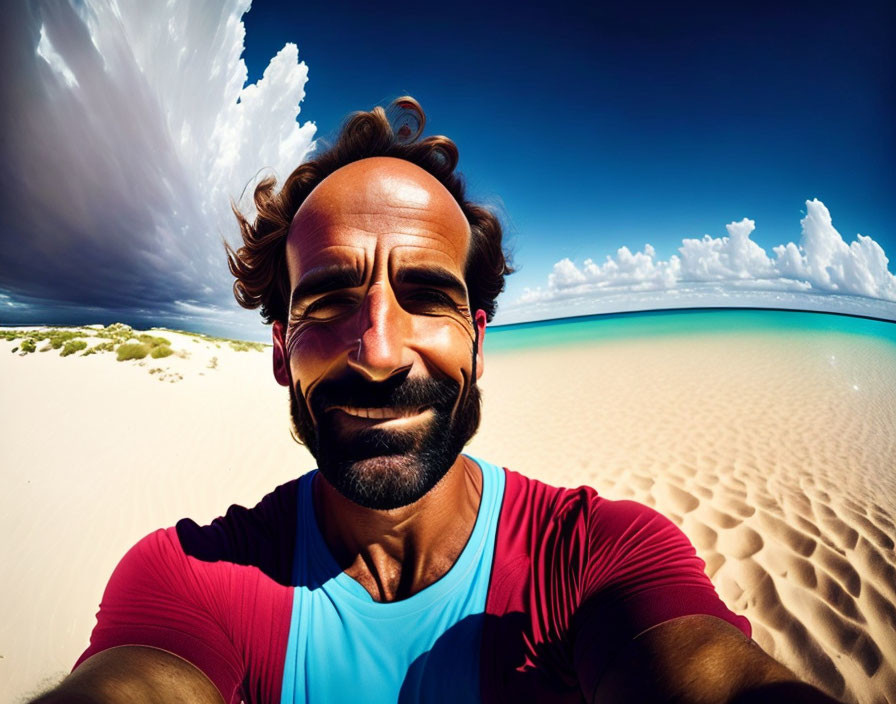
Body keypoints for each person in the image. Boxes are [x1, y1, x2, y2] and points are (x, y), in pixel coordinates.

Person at [33, 98, 839, 703]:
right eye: (327, 301)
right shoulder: (187, 580)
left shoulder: (601, 557)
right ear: (281, 351)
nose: (380, 351)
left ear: (478, 342)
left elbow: (708, 672)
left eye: (425, 295)